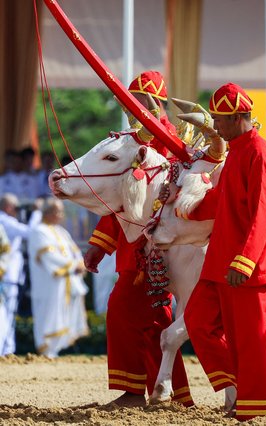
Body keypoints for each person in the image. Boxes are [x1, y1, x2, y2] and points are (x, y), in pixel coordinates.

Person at [83, 70, 193, 407]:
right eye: (129, 100)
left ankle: (154, 394)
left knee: (143, 315)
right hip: (133, 245)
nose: (132, 107)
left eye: (139, 101)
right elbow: (118, 197)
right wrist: (99, 245)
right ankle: (162, 394)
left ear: (156, 103)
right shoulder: (131, 139)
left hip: (162, 244)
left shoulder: (170, 140)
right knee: (134, 315)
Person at [183, 82, 266, 420]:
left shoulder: (259, 152)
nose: (217, 128)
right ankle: (238, 387)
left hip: (247, 266)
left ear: (241, 117)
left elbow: (263, 211)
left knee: (251, 340)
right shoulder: (237, 148)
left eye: (222, 121)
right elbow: (221, 200)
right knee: (196, 321)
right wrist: (185, 207)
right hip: (220, 262)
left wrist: (246, 260)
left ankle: (256, 409)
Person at [28, 198, 89, 358]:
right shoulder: (38, 230)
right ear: (48, 212)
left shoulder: (61, 232)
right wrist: (73, 266)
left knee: (62, 314)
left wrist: (81, 263)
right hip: (48, 284)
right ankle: (46, 351)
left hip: (65, 282)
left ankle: (56, 352)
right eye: (58, 211)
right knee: (49, 315)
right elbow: (50, 257)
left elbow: (75, 252)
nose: (61, 215)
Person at [0, 193, 41, 355]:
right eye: (15, 207)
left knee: (9, 313)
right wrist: (37, 212)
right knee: (6, 313)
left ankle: (7, 350)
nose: (17, 211)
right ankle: (5, 350)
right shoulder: (5, 220)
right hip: (6, 275)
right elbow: (31, 233)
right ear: (8, 207)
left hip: (11, 275)